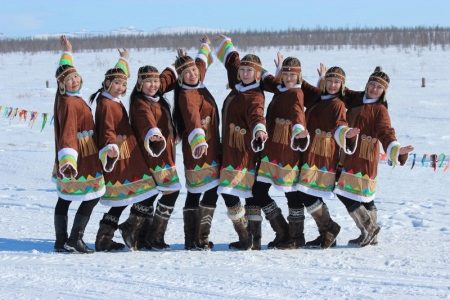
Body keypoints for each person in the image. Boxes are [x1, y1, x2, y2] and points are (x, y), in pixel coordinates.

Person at [89, 49, 160, 251]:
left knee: (129, 197)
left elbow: (118, 73)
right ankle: (123, 230)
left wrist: (123, 59)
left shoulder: (111, 98)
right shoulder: (106, 105)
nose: (121, 88)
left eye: (123, 84)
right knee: (135, 195)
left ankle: (112, 235)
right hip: (119, 155)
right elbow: (107, 130)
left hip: (129, 154)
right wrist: (112, 146)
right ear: (107, 84)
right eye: (117, 84)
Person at [335, 67, 414, 246]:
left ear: (384, 91)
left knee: (348, 193)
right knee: (358, 195)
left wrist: (395, 149)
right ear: (367, 84)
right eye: (372, 84)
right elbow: (339, 90)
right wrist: (331, 76)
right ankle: (370, 233)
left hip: (365, 157)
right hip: (347, 153)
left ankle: (369, 228)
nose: (374, 89)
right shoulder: (356, 98)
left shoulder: (380, 110)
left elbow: (386, 132)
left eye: (379, 87)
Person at [214, 35, 268, 250]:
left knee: (230, 190)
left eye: (250, 71)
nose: (245, 74)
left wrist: (260, 130)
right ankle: (253, 239)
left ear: (257, 74)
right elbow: (232, 60)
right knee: (248, 191)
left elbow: (257, 116)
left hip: (243, 149)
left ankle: (246, 236)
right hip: (230, 148)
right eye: (243, 70)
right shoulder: (239, 85)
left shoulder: (254, 95)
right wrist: (227, 43)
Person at [52, 35, 105, 253]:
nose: (74, 80)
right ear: (62, 85)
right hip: (80, 156)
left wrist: (67, 51)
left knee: (64, 197)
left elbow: (66, 69)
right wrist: (68, 161)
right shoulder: (70, 104)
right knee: (94, 194)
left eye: (76, 77)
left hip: (76, 156)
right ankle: (74, 238)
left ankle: (61, 240)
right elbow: (68, 133)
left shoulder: (68, 97)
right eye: (69, 79)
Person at [298, 65, 360, 249]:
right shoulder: (318, 97)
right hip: (309, 151)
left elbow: (340, 124)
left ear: (342, 85)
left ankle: (329, 229)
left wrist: (346, 133)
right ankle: (326, 231)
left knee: (307, 192)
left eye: (336, 82)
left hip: (324, 155)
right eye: (329, 81)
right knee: (308, 192)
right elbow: (300, 83)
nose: (332, 85)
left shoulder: (338, 104)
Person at [254, 53, 310, 249]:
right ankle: (283, 231)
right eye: (285, 75)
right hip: (271, 150)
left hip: (287, 150)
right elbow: (266, 76)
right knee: (259, 190)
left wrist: (299, 130)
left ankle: (296, 237)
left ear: (299, 76)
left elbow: (298, 114)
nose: (288, 79)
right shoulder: (280, 88)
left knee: (291, 193)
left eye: (292, 76)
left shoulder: (296, 93)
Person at [172, 36, 221, 250]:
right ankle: (198, 238)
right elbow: (192, 118)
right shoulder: (187, 94)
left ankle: (193, 239)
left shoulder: (197, 80)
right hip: (199, 149)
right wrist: (199, 140)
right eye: (187, 73)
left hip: (210, 148)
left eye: (194, 71)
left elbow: (201, 64)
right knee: (200, 191)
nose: (193, 74)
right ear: (181, 78)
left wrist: (205, 47)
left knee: (201, 191)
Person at [128, 62, 182, 250]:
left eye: (156, 81)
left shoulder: (157, 98)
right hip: (153, 154)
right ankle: (152, 235)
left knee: (150, 192)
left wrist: (176, 66)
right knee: (171, 190)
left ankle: (138, 233)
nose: (153, 85)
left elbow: (166, 78)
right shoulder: (140, 103)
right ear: (139, 84)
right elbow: (146, 121)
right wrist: (154, 133)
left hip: (164, 153)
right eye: (148, 82)